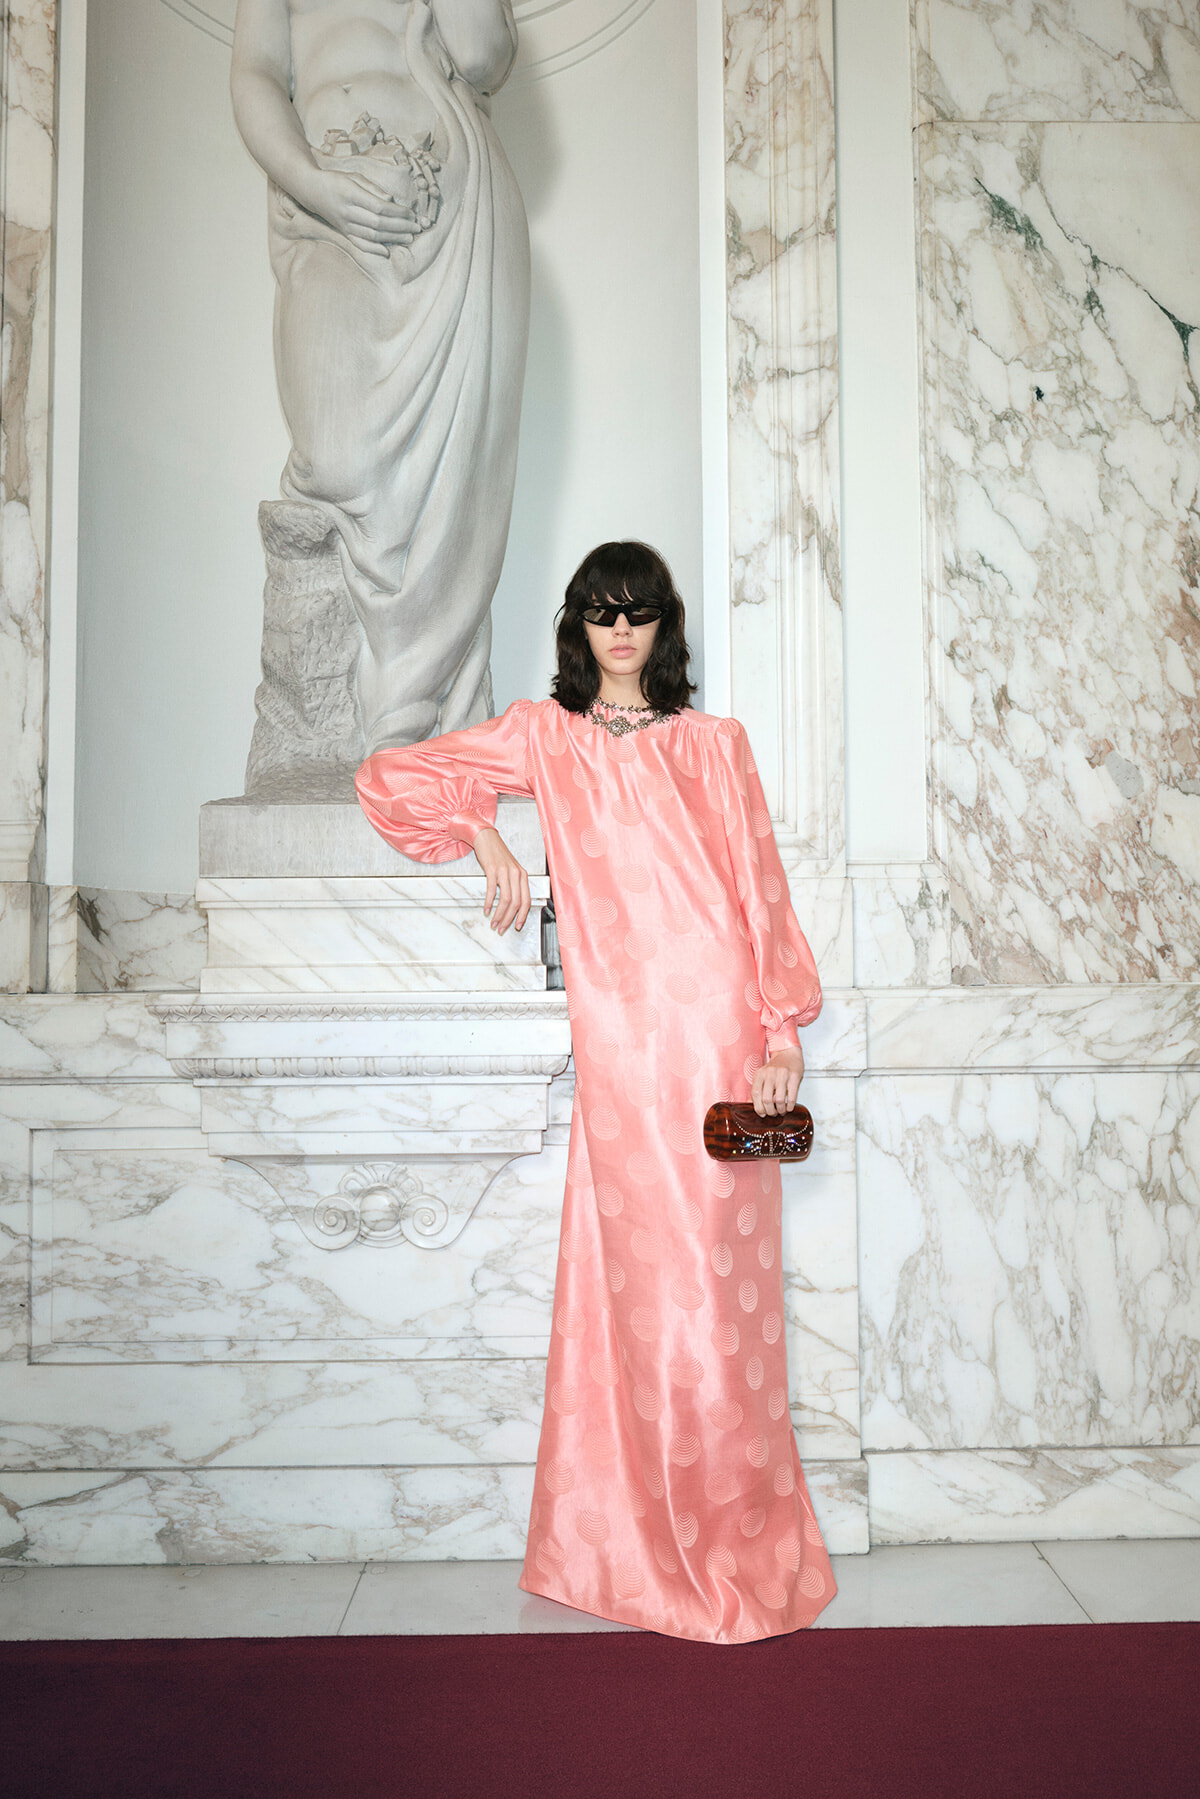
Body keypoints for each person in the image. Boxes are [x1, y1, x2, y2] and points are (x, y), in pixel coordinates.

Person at [355, 542, 836, 1642]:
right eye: (601, 615)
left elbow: (758, 883)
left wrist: (778, 1030)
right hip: (619, 1051)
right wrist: (483, 832)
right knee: (631, 1298)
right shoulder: (545, 736)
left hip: (716, 1038)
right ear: (578, 627)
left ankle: (734, 1543)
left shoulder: (714, 744)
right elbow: (390, 775)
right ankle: (625, 1547)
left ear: (665, 628)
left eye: (641, 614)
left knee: (722, 1306)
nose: (622, 633)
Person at [231, 0, 529, 751]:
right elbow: (256, 75)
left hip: (457, 220)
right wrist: (316, 186)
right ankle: (378, 713)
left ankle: (426, 724)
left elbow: (487, 58)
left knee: (453, 484)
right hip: (326, 214)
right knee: (337, 458)